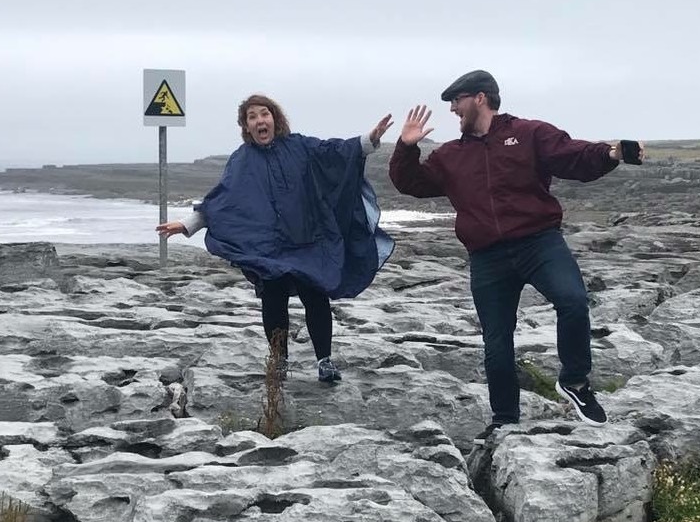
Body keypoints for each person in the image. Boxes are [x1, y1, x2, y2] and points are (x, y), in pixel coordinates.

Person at [388, 70, 644, 443]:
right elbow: (410, 184)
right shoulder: (450, 156)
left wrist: (611, 152)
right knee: (496, 340)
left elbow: (572, 156)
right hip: (487, 256)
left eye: (456, 101)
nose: (452, 109)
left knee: (572, 300)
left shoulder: (528, 133)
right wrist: (406, 147)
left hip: (538, 242)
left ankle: (574, 382)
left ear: (479, 97)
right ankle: (505, 419)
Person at [157, 94, 395, 383]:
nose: (260, 121)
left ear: (275, 118)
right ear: (246, 126)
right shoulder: (242, 160)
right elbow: (222, 201)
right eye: (253, 117)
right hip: (267, 247)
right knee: (273, 299)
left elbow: (335, 152)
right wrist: (187, 225)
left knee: (316, 297)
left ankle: (324, 360)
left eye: (264, 114)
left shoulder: (300, 147)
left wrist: (368, 140)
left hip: (308, 240)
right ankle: (279, 362)